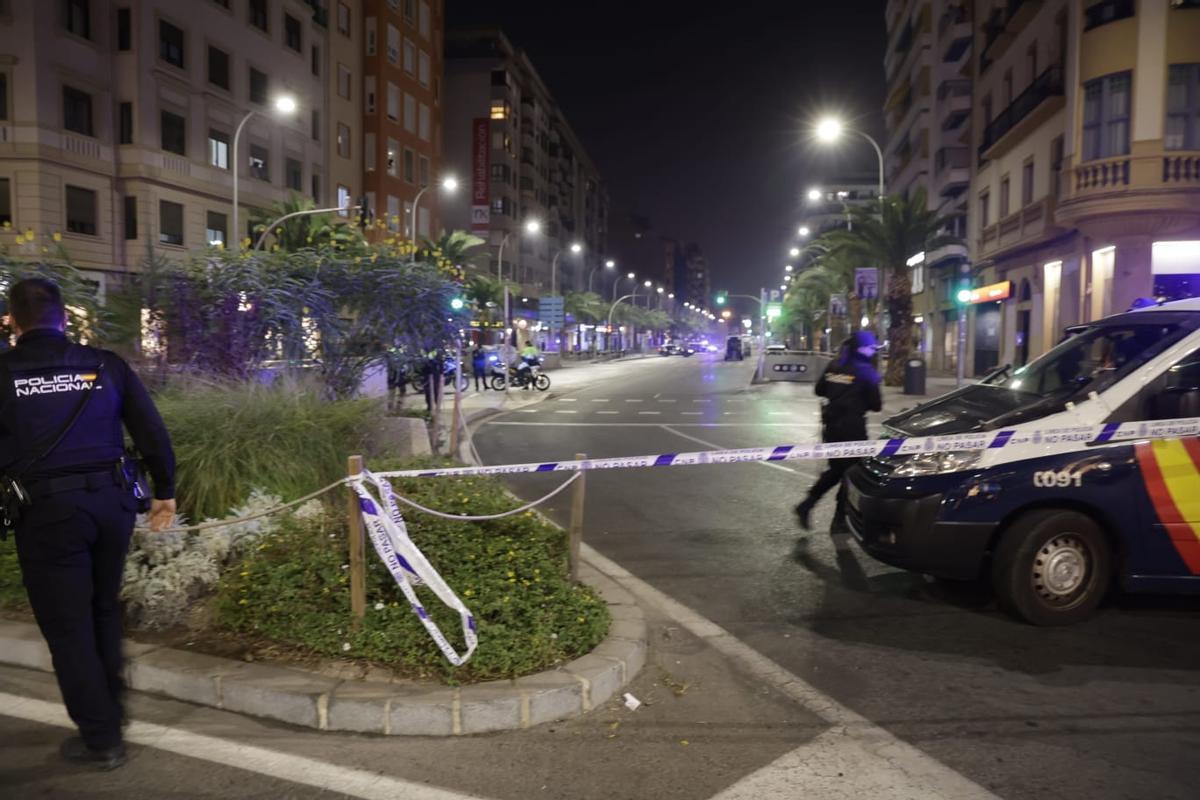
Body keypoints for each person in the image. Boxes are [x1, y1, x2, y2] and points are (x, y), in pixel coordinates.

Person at [1, 278, 176, 770]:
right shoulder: (106, 365)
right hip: (112, 505)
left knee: (67, 626)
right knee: (101, 610)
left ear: (13, 320)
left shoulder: (4, 372)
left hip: (48, 514)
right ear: (65, 318)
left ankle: (101, 738)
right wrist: (165, 491)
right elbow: (151, 430)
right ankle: (113, 712)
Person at [795, 330, 882, 533]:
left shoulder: (835, 365)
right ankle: (839, 519)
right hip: (853, 430)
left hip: (832, 427)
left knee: (837, 471)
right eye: (870, 348)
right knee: (852, 473)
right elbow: (876, 405)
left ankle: (809, 504)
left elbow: (819, 390)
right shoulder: (866, 371)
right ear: (861, 349)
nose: (872, 352)